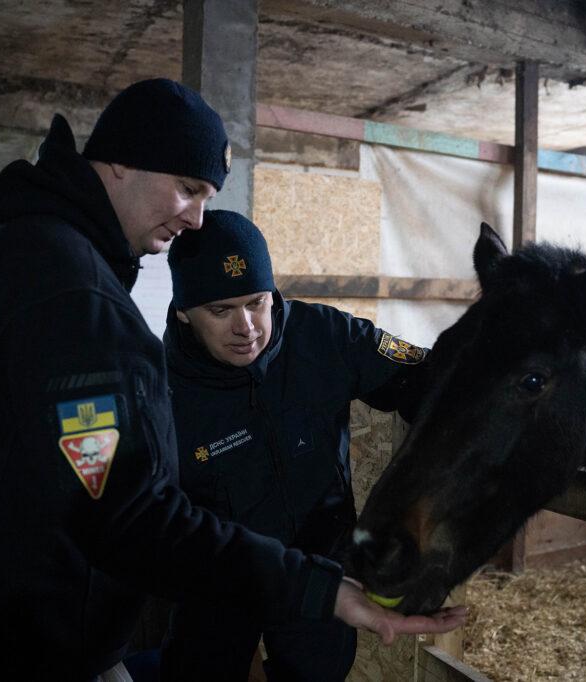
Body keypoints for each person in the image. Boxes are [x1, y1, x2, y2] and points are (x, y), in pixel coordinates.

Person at [0, 79, 465, 681]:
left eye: (258, 303)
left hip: (27, 628)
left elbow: (424, 381)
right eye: (188, 189)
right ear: (120, 162)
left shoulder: (45, 258)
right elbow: (130, 515)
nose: (195, 218)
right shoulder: (71, 295)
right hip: (21, 647)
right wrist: (321, 589)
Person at [161, 210, 430, 680]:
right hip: (220, 576)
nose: (246, 327)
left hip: (319, 573)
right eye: (221, 311)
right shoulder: (159, 388)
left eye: (257, 302)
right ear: (185, 313)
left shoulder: (326, 337)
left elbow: (427, 383)